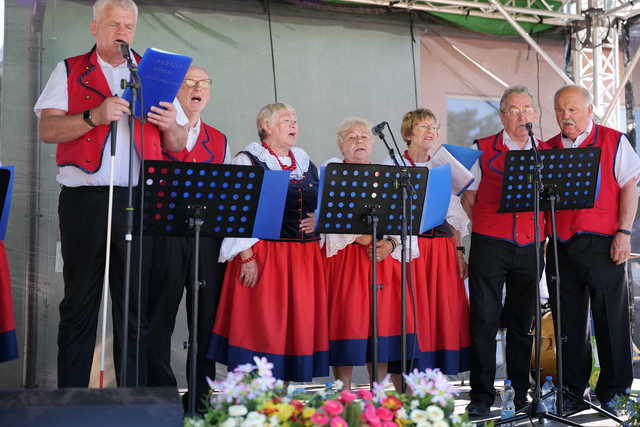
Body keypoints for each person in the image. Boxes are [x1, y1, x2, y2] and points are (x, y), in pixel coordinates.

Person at [34, 0, 186, 387]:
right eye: (114, 23)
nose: (122, 31)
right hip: (85, 199)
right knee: (79, 303)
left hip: (137, 199)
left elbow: (180, 141)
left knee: (134, 305)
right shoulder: (68, 69)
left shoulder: (153, 72)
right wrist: (93, 117)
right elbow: (49, 131)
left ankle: (131, 398)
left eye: (129, 25)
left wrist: (169, 125)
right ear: (94, 27)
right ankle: (70, 397)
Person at [207, 103, 329, 381]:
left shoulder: (304, 160)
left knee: (297, 327)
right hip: (266, 255)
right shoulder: (248, 160)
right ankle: (253, 400)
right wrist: (246, 256)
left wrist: (316, 219)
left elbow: (318, 201)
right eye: (286, 119)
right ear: (266, 126)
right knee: (263, 327)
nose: (294, 124)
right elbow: (233, 211)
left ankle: (285, 404)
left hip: (303, 259)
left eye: (295, 119)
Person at [544, 85, 640, 415]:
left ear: (589, 110)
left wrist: (624, 233)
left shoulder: (614, 140)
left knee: (610, 319)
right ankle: (571, 390)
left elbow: (630, 187)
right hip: (560, 244)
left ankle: (616, 393)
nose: (565, 116)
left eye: (571, 109)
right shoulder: (548, 147)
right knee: (567, 323)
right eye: (559, 110)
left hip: (604, 243)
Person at [146, 65, 229, 410]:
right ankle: (160, 396)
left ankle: (202, 396)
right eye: (188, 82)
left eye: (203, 83)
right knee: (158, 317)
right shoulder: (157, 126)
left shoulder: (220, 138)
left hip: (206, 238)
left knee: (205, 321)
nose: (197, 88)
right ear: (176, 90)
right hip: (165, 234)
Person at [461, 86, 544, 416]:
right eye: (514, 109)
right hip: (490, 244)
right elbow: (468, 195)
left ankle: (520, 393)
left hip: (531, 244)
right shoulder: (482, 149)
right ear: (502, 115)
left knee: (523, 322)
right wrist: (486, 225)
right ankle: (481, 397)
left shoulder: (545, 150)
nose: (522, 115)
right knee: (483, 319)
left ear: (535, 114)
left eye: (527, 108)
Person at [384, 109, 470, 387]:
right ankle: (402, 391)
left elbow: (455, 214)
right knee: (410, 316)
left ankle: (435, 387)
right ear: (408, 134)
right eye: (423, 126)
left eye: (434, 126)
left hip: (442, 249)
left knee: (441, 314)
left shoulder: (443, 166)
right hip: (410, 250)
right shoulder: (393, 164)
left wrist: (459, 252)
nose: (431, 131)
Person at [321, 118, 404, 388]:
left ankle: (378, 391)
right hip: (347, 260)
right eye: (352, 137)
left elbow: (404, 219)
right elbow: (328, 218)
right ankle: (343, 391)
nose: (359, 142)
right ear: (341, 144)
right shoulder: (332, 172)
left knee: (381, 327)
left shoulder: (389, 174)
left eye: (364, 137)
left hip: (382, 259)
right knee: (346, 322)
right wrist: (363, 237)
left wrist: (391, 244)